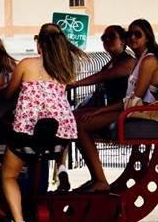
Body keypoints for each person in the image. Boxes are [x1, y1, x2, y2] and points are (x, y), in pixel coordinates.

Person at [0, 23, 83, 222]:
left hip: (28, 134)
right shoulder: (64, 70)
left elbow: (8, 93)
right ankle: (61, 166)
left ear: (39, 43)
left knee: (8, 176)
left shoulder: (26, 65)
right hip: (59, 137)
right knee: (56, 134)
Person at [74, 19, 158, 193]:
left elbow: (134, 99)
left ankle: (100, 180)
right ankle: (95, 178)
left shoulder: (148, 60)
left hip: (141, 111)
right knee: (78, 120)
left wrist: (100, 111)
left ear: (147, 37)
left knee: (80, 126)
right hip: (133, 109)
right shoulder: (140, 60)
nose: (132, 37)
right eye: (129, 34)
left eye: (137, 34)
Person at [56, 25, 135, 191]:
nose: (106, 40)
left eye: (111, 37)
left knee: (79, 125)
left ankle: (100, 180)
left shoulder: (128, 62)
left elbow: (105, 76)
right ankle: (62, 169)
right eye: (103, 38)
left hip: (124, 110)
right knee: (68, 119)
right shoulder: (110, 63)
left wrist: (75, 84)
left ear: (122, 42)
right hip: (113, 108)